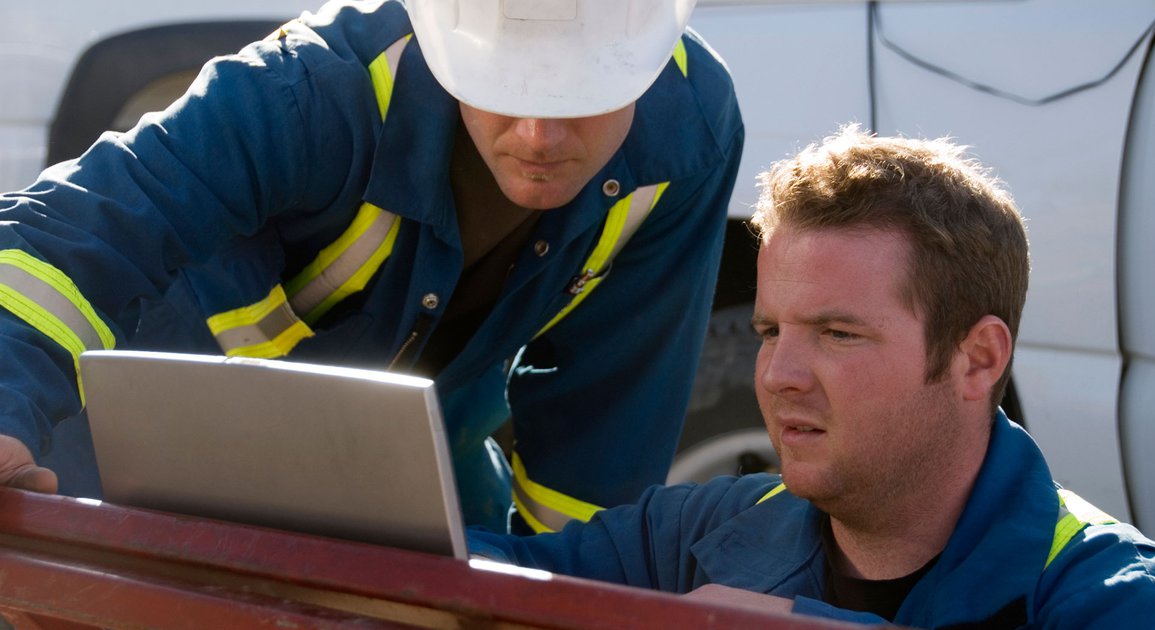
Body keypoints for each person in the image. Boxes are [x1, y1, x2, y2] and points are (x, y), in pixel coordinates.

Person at [0, 0, 743, 534]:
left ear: (642, 63)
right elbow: (72, 230)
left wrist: (565, 594)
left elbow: (609, 425)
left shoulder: (691, 137)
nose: (538, 134)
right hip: (156, 441)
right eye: (502, 90)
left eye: (581, 96)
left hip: (406, 452)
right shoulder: (314, 90)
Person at [467, 126, 1155, 626]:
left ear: (978, 358)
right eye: (768, 331)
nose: (780, 375)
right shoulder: (698, 533)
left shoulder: (1120, 594)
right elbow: (483, 581)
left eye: (838, 334)